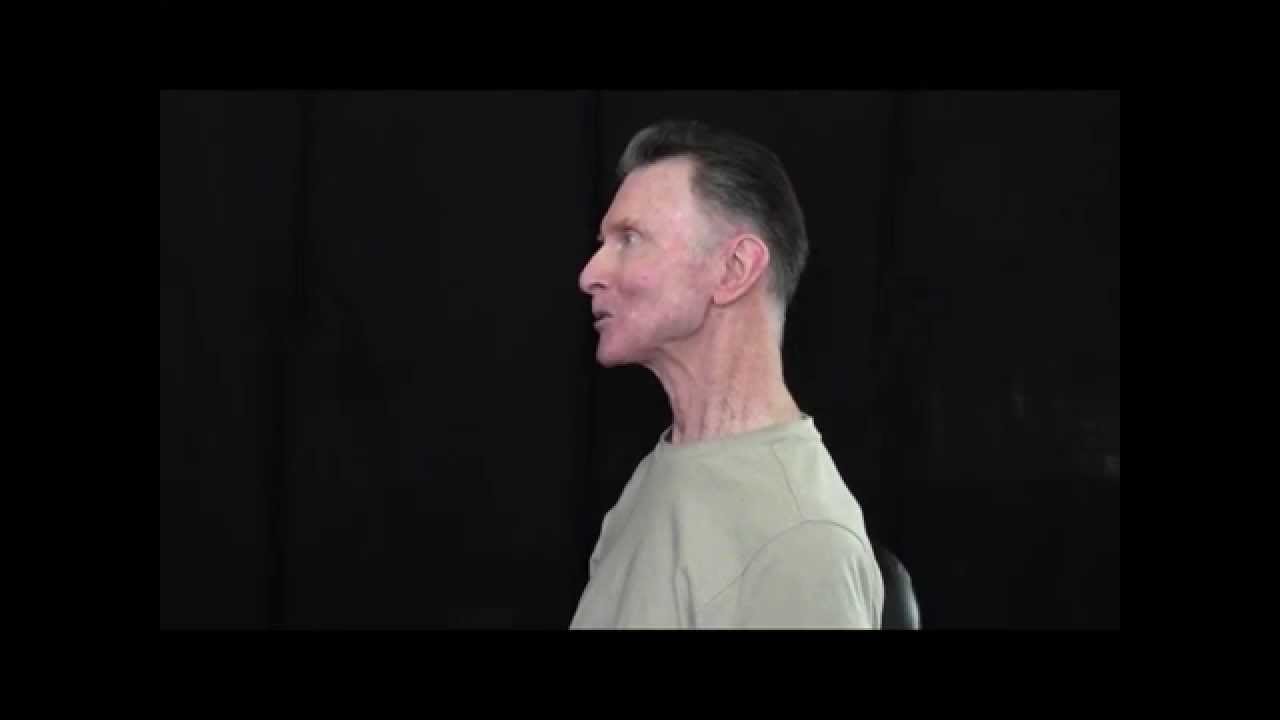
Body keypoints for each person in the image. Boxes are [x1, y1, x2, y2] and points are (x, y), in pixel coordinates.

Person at [570, 120, 885, 629]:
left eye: (629, 238)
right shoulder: (670, 468)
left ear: (734, 269)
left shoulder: (799, 540)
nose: (591, 274)